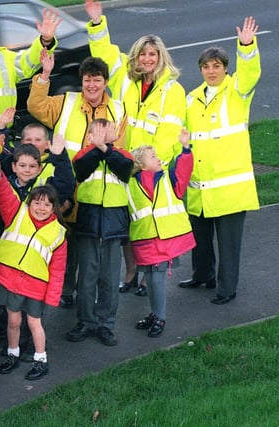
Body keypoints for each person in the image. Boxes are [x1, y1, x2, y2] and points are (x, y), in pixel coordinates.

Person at [84, 0, 186, 296]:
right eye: (143, 53)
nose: (147, 58)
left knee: (150, 227)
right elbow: (104, 53)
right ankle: (131, 273)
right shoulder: (126, 79)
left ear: (161, 57)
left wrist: (153, 163)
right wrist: (97, 23)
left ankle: (148, 276)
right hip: (124, 163)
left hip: (151, 167)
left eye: (153, 54)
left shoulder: (172, 89)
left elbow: (169, 130)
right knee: (129, 225)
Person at [27, 52, 127, 309]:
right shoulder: (66, 102)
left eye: (97, 80)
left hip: (98, 196)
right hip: (67, 191)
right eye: (87, 80)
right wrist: (45, 76)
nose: (91, 86)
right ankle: (66, 292)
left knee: (91, 257)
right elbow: (36, 106)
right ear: (81, 81)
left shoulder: (118, 110)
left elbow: (122, 151)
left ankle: (85, 302)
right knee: (66, 248)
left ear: (105, 82)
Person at [178, 17, 261, 305]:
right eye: (206, 66)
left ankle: (227, 289)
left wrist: (247, 46)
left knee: (228, 245)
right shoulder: (191, 98)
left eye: (216, 65)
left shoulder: (238, 90)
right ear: (200, 69)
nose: (211, 71)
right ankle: (202, 275)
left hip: (230, 189)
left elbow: (250, 72)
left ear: (225, 68)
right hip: (200, 188)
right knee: (199, 241)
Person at [0, 134, 74, 359]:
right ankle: (5, 336)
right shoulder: (7, 181)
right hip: (2, 248)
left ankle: (28, 344)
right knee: (0, 300)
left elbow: (66, 183)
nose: (27, 170)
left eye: (32, 166)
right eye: (22, 165)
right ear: (14, 167)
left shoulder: (42, 192)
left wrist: (60, 156)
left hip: (31, 263)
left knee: (29, 310)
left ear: (39, 169)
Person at [0, 155, 67, 381]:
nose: (41, 208)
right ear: (29, 203)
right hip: (12, 282)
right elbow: (4, 194)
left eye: (47, 204)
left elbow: (58, 272)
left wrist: (52, 299)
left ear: (54, 208)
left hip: (36, 288)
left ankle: (41, 359)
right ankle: (13, 354)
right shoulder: (17, 214)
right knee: (13, 321)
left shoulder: (59, 235)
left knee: (34, 322)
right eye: (37, 202)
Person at [66, 119, 133, 347]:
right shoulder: (83, 154)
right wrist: (98, 148)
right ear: (88, 137)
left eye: (108, 131)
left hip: (113, 224)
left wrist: (105, 148)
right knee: (86, 278)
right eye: (98, 133)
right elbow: (82, 168)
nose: (103, 136)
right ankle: (86, 321)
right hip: (89, 223)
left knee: (109, 278)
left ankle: (106, 324)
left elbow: (124, 169)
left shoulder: (124, 154)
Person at [126, 130, 195, 337]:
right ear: (140, 163)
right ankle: (154, 313)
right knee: (149, 276)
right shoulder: (130, 184)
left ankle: (160, 317)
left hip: (164, 239)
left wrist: (185, 149)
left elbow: (183, 172)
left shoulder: (167, 178)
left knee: (156, 279)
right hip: (143, 239)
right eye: (152, 156)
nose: (157, 158)